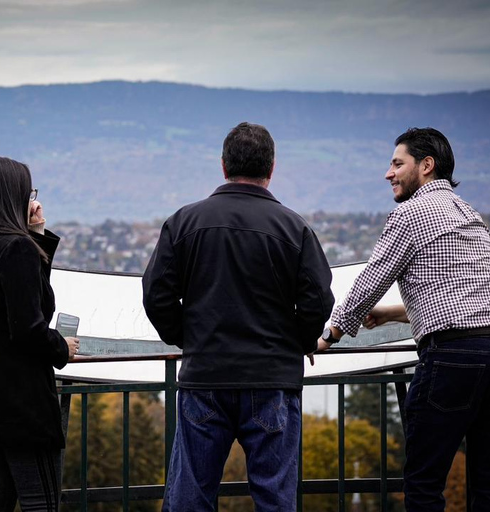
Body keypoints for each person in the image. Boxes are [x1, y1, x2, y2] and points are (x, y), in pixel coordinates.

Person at [143, 122, 335, 511]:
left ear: (223, 165)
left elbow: (155, 294)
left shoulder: (184, 223)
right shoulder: (295, 229)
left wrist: (187, 337)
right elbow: (318, 298)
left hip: (205, 376)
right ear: (272, 168)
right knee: (275, 499)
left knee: (190, 497)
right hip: (272, 380)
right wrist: (297, 342)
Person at [319, 127, 490, 511]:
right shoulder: (470, 215)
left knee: (424, 485)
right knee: (486, 485)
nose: (388, 173)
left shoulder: (410, 213)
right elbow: (465, 296)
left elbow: (370, 281)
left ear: (426, 166)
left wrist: (329, 334)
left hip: (450, 360)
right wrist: (394, 314)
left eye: (398, 163)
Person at [0, 156, 79, 512]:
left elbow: (10, 311)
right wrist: (61, 348)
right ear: (14, 196)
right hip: (20, 400)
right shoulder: (16, 249)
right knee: (41, 503)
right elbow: (31, 324)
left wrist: (37, 238)